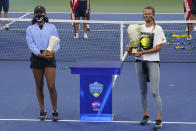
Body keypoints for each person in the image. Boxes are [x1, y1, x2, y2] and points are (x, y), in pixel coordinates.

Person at [126, 6, 166, 130]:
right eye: (145, 14)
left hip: (153, 62)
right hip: (139, 62)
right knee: (143, 91)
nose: (147, 15)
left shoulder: (158, 29)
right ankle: (146, 116)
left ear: (153, 15)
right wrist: (129, 50)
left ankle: (159, 119)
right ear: (143, 15)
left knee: (154, 92)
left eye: (149, 14)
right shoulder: (138, 28)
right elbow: (134, 46)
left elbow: (159, 47)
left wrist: (144, 53)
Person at [26, 5, 60, 121]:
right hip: (37, 58)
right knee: (39, 86)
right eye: (37, 13)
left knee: (51, 86)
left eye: (41, 13)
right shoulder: (30, 29)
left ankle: (55, 111)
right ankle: (42, 110)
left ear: (44, 14)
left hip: (49, 57)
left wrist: (53, 51)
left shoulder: (51, 27)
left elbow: (57, 43)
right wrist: (40, 54)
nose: (39, 15)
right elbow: (31, 45)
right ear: (35, 15)